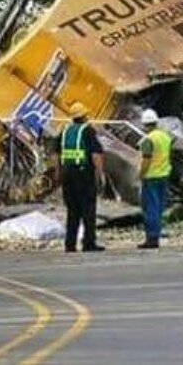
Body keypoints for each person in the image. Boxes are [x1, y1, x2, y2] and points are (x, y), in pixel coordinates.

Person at [59, 102, 105, 253]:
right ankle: (89, 243)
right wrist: (100, 175)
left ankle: (70, 244)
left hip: (67, 175)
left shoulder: (65, 131)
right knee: (88, 211)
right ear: (85, 116)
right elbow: (95, 155)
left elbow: (55, 153)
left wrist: (58, 173)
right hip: (83, 175)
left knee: (72, 211)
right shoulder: (88, 131)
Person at [138, 109, 172, 249]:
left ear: (144, 124)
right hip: (164, 175)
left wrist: (140, 174)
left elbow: (146, 160)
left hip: (151, 177)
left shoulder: (148, 140)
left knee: (150, 208)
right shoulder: (165, 136)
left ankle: (152, 238)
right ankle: (156, 234)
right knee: (159, 207)